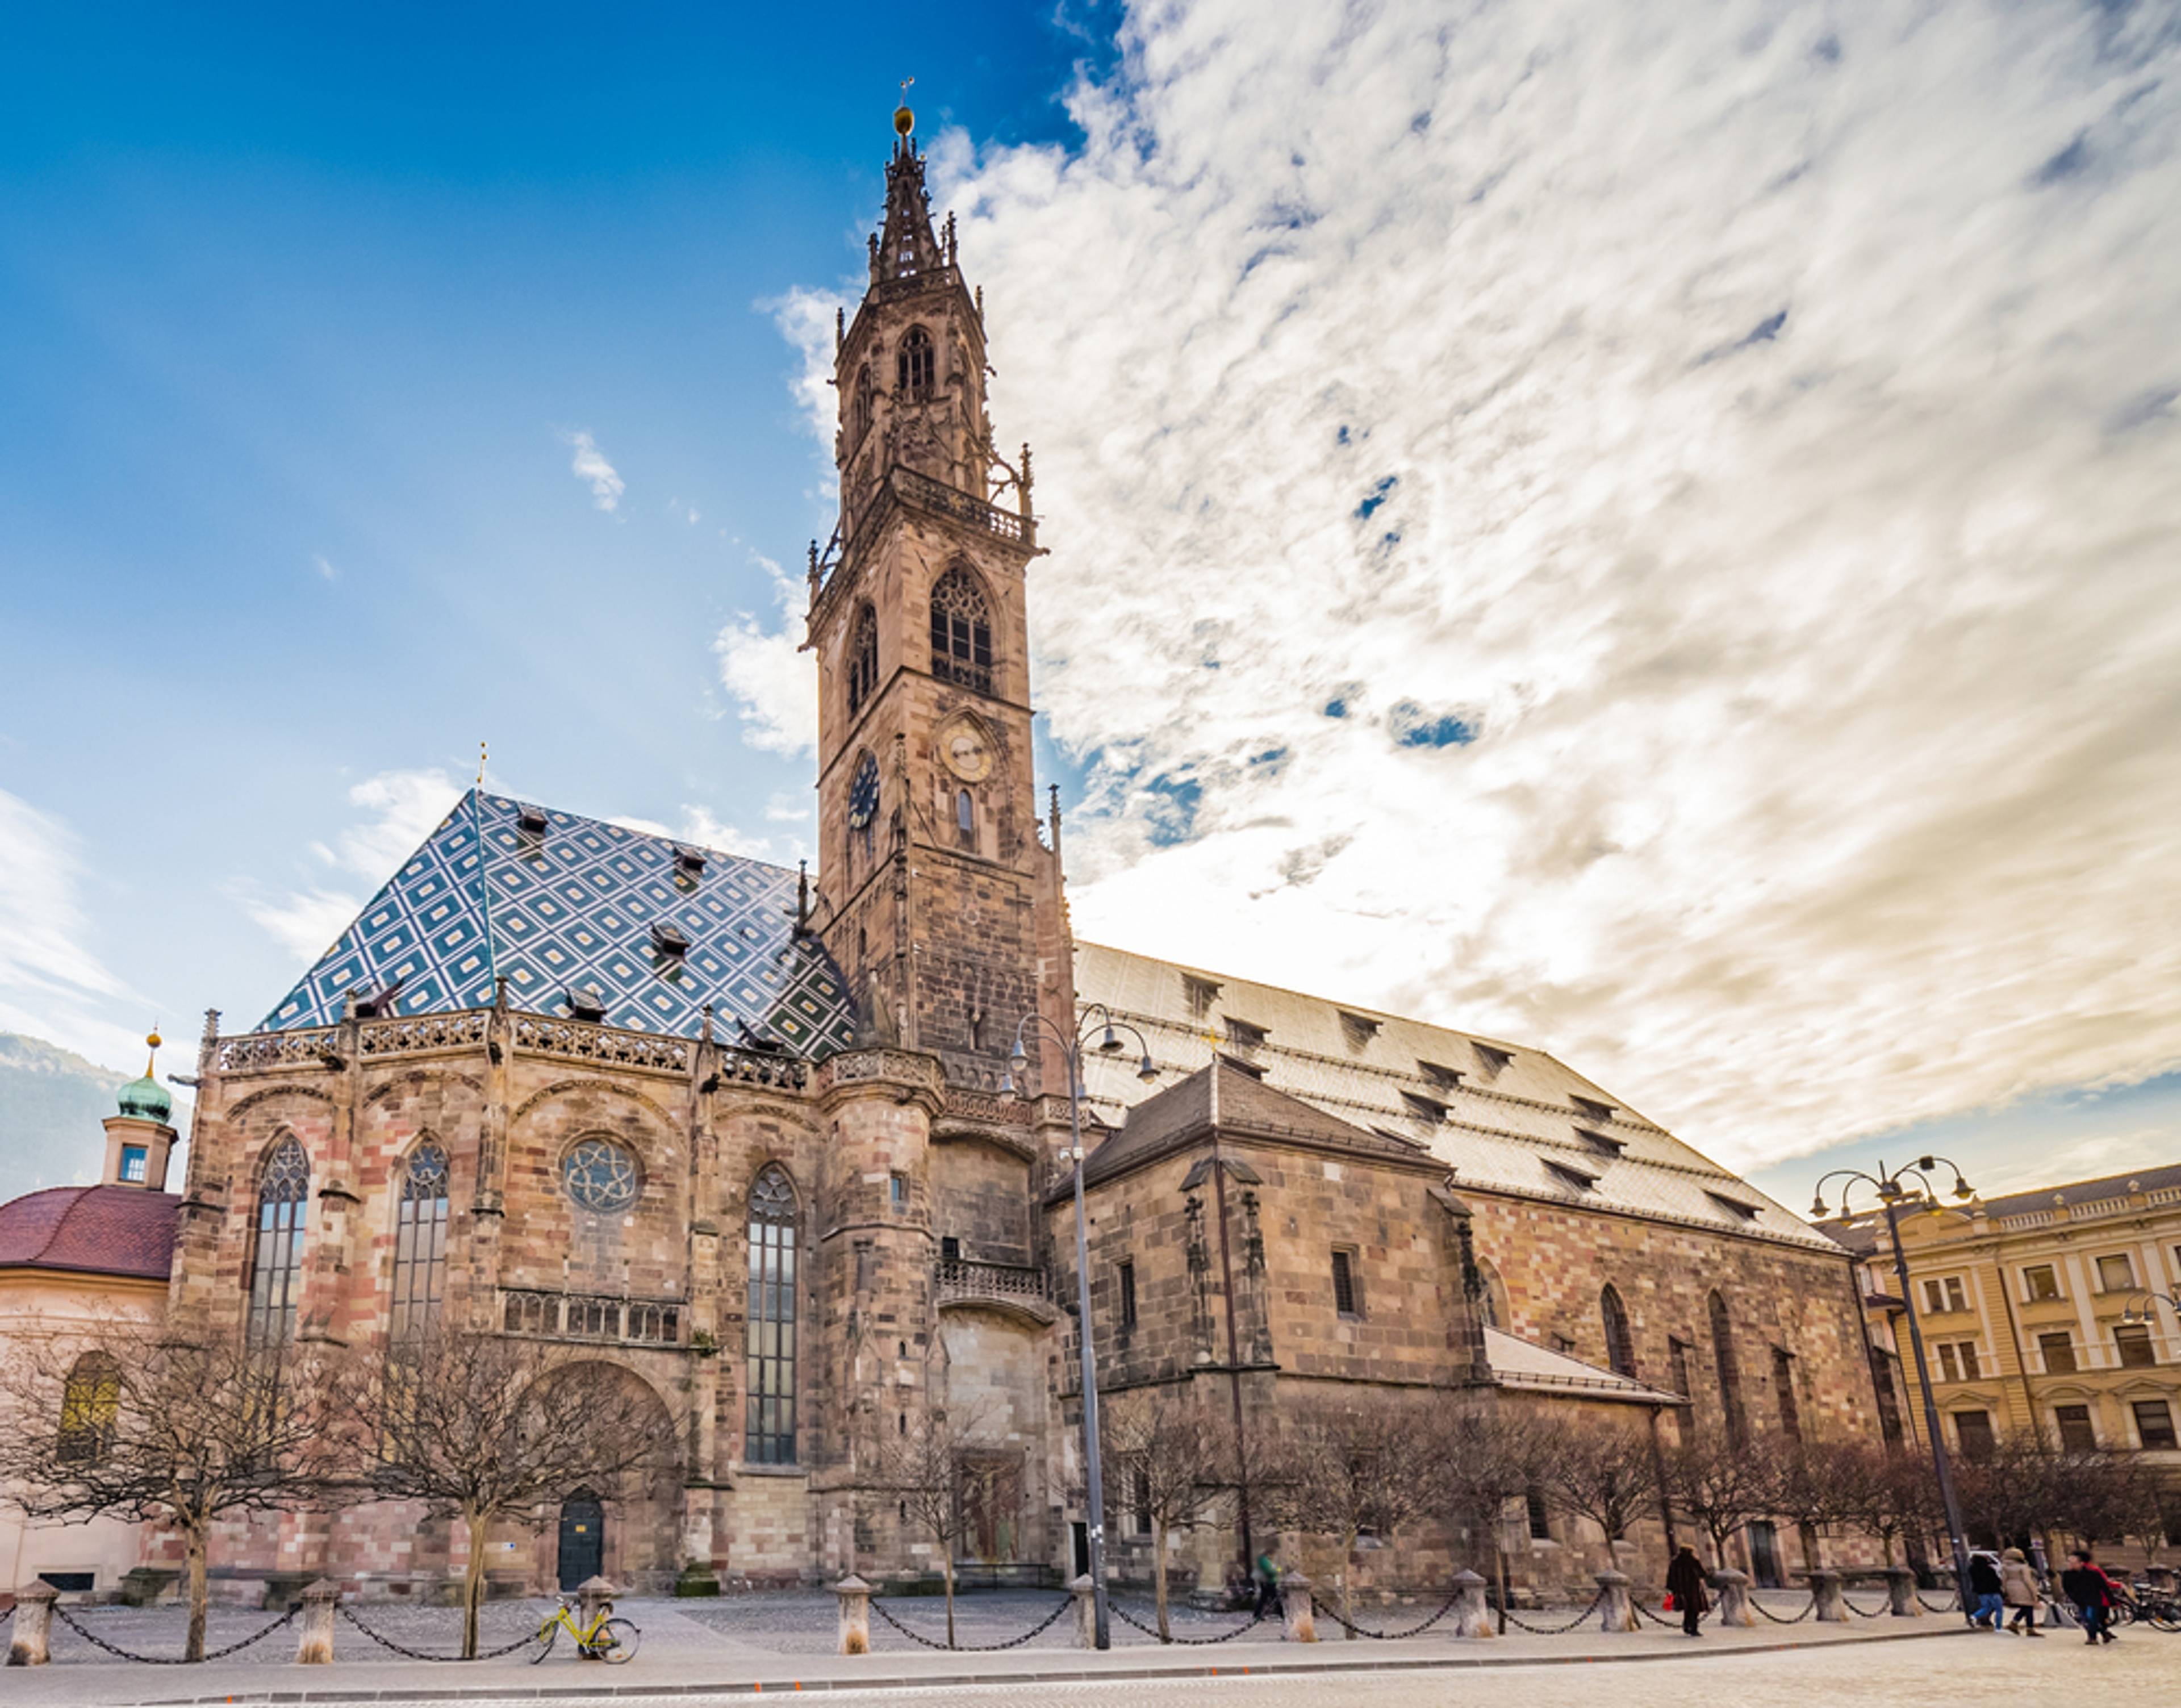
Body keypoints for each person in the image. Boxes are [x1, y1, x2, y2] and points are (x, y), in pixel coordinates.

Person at [2060, 1548, 2118, 1644]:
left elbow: (2104, 1588)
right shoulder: (2067, 1575)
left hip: (2093, 1599)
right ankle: (2103, 1633)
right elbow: (2067, 1588)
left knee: (2091, 1617)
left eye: (2072, 1563)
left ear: (2081, 1563)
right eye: (2069, 1562)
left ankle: (2092, 1638)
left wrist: (2112, 1602)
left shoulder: (2093, 1574)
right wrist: (2073, 1597)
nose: (2069, 1565)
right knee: (2085, 1619)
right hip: (2080, 1600)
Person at [1665, 1544, 1711, 1637]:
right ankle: (1693, 1628)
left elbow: (1670, 1577)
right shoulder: (1693, 1561)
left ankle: (1687, 1626)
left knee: (1688, 1609)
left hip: (1681, 1590)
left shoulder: (1675, 1562)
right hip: (1693, 1589)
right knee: (1694, 1610)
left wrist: (1672, 1589)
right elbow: (1702, 1574)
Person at [1999, 1547, 2044, 1636]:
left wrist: (2005, 1591)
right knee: (2029, 1607)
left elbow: (2004, 1580)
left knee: (2025, 1608)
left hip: (2011, 1588)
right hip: (2024, 1588)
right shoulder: (2023, 1567)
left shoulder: (2005, 1567)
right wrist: (2035, 1592)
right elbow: (2027, 1580)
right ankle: (2029, 1628)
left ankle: (2014, 1623)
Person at [1966, 1550, 2004, 1628]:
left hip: (1981, 1592)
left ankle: (1974, 1616)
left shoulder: (1972, 1570)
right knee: (1999, 1610)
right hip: (1994, 1591)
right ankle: (1999, 1627)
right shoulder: (1989, 1569)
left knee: (1986, 1607)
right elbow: (1996, 1581)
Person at [1254, 1541, 1282, 1617]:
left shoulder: (1267, 1561)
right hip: (1268, 1583)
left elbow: (1274, 1569)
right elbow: (1270, 1571)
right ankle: (1282, 1614)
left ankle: (1257, 1614)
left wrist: (1277, 1569)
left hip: (1269, 1582)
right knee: (1275, 1599)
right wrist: (1278, 1570)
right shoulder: (1264, 1561)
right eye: (1273, 1555)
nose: (1273, 1557)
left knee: (1264, 1599)